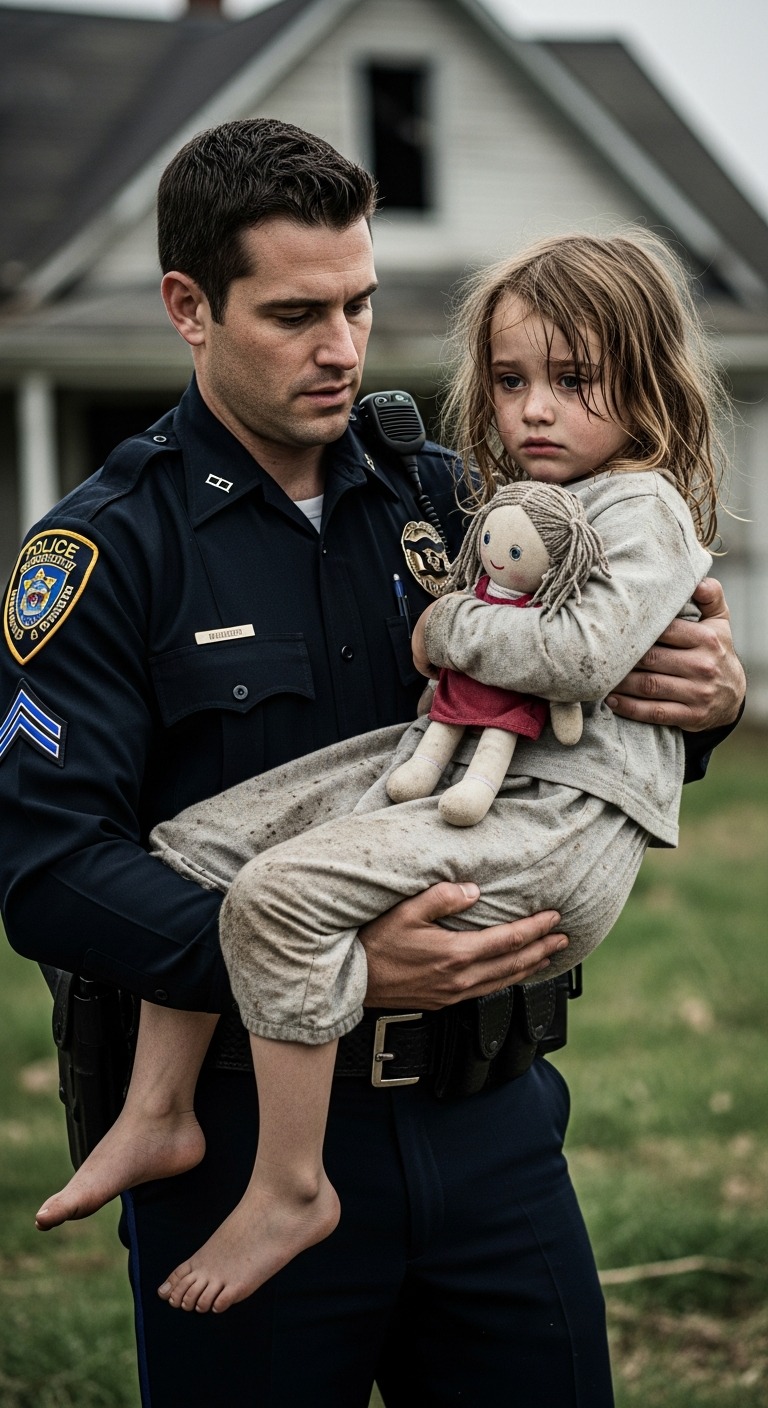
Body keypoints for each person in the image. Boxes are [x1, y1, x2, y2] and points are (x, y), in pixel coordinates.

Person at [0, 120, 744, 1408]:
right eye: (294, 312)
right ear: (190, 306)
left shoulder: (456, 498)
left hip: (492, 1113)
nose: (341, 346)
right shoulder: (108, 553)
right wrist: (322, 958)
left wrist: (710, 699)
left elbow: (575, 715)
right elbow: (49, 871)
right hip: (240, 1140)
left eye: (358, 304)